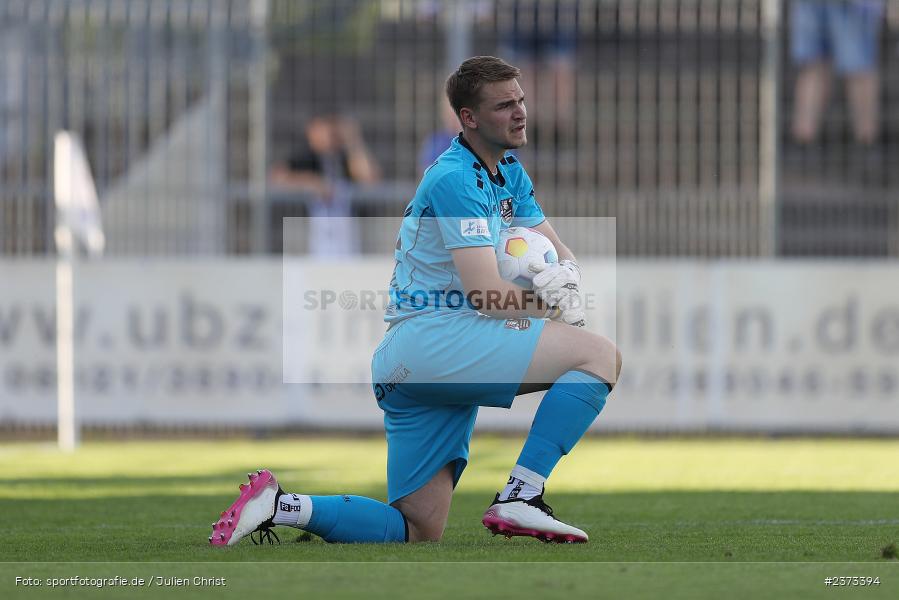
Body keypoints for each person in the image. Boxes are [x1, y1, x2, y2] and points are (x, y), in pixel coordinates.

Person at [209, 56, 621, 546]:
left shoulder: (507, 170)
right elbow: (486, 295)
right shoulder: (455, 179)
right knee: (599, 356)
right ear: (468, 118)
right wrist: (547, 300)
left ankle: (280, 505)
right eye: (503, 105)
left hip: (411, 360)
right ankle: (521, 494)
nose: (520, 113)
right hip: (438, 339)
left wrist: (566, 278)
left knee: (417, 527)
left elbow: (555, 247)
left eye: (521, 100)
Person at [270, 115, 380, 256]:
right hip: (312, 243)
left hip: (347, 241)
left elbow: (370, 179)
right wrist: (312, 183)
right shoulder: (304, 158)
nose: (328, 137)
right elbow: (277, 178)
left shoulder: (345, 158)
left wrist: (354, 142)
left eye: (332, 132)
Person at [791, 0, 884, 145]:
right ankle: (804, 143)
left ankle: (867, 144)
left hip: (855, 7)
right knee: (812, 68)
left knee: (859, 70)